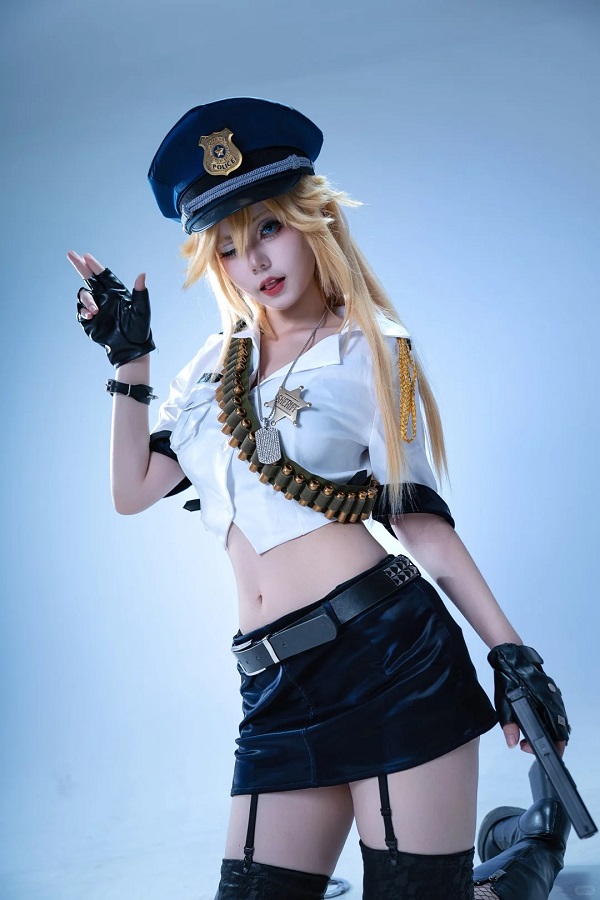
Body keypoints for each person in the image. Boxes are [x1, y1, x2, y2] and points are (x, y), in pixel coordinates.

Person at [68, 97, 571, 900]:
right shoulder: (212, 366)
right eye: (228, 246)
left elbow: (421, 525)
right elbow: (133, 490)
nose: (255, 261)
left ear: (313, 220)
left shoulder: (379, 352)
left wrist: (512, 655)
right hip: (276, 686)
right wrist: (131, 361)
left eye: (269, 227)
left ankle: (529, 847)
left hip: (391, 660)